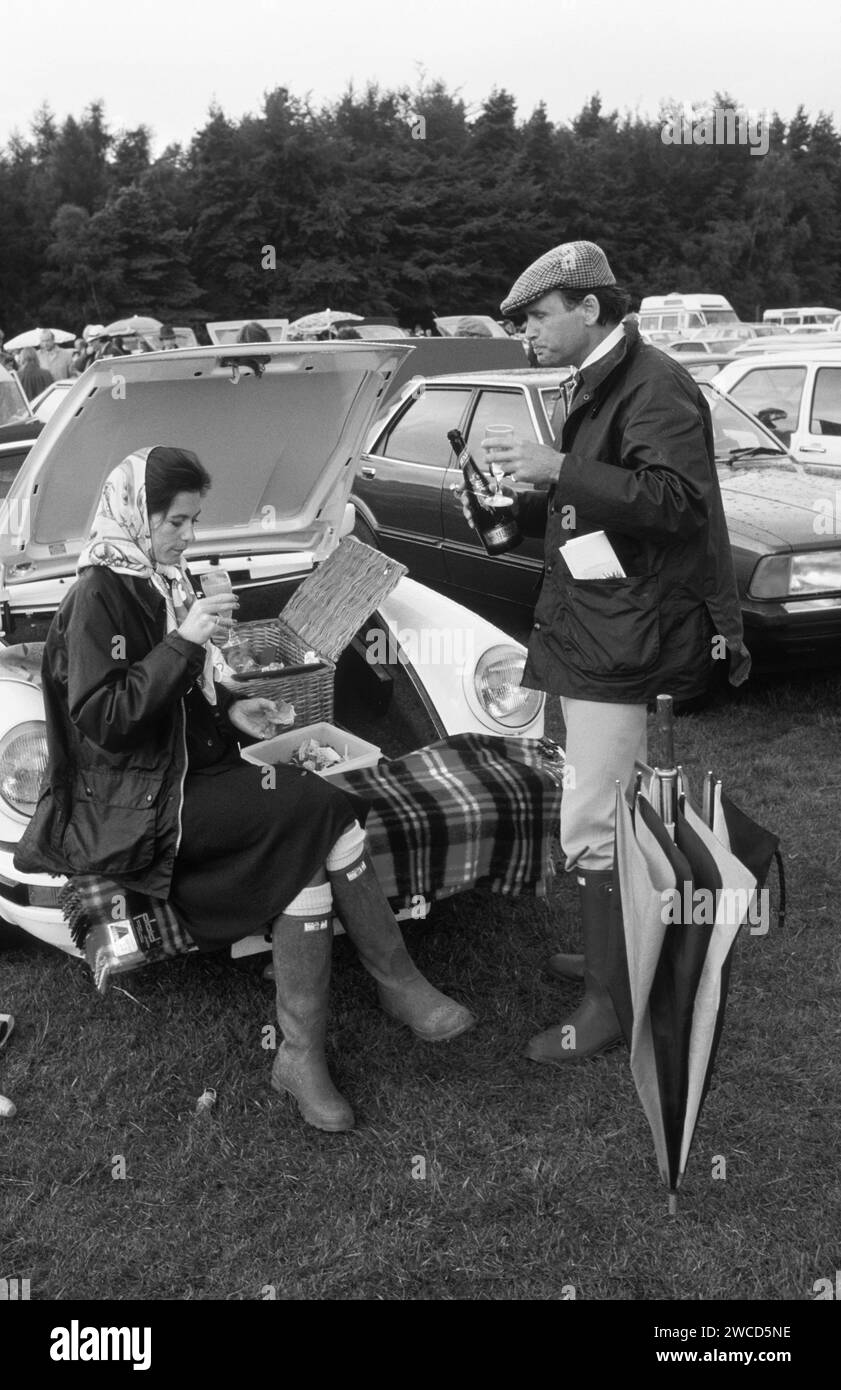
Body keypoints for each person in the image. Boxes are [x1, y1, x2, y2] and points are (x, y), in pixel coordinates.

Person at [15, 447, 474, 1132]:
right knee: (318, 808)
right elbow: (107, 722)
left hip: (190, 772)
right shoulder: (96, 598)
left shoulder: (161, 578)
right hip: (141, 806)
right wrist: (184, 643)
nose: (187, 537)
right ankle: (392, 987)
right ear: (135, 515)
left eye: (194, 521)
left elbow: (179, 699)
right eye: (176, 522)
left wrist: (232, 709)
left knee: (305, 844)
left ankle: (302, 1053)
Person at [473, 239, 749, 1064]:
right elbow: (598, 509)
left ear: (588, 307)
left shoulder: (654, 383)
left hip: (624, 636)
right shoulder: (599, 383)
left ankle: (609, 1000)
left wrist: (558, 467)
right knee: (603, 807)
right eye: (519, 321)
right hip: (595, 624)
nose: (524, 331)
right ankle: (608, 953)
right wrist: (521, 504)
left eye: (535, 316)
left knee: (591, 819)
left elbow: (675, 505)